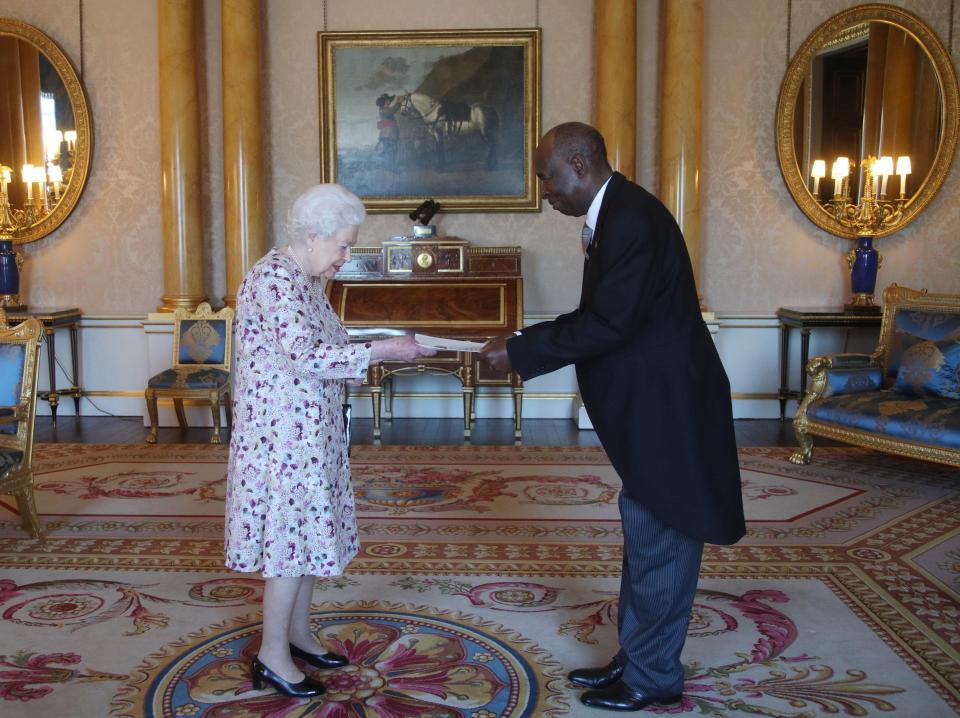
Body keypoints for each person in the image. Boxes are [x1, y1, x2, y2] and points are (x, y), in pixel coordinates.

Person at [480, 123, 745, 712]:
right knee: (644, 528)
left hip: (667, 408)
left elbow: (608, 325)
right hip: (655, 403)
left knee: (661, 534)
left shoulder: (628, 219)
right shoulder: (618, 212)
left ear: (579, 162)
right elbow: (604, 314)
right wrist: (525, 338)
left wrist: (520, 351)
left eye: (548, 176)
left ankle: (654, 677)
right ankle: (638, 655)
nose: (544, 190)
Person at [224, 184, 436, 698]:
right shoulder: (275, 279)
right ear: (313, 235)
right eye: (343, 245)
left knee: (306, 537)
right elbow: (304, 356)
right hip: (280, 441)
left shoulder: (304, 279)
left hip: (307, 434)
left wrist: (388, 344)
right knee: (288, 543)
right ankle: (272, 655)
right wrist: (385, 349)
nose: (346, 256)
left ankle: (296, 635)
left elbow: (330, 345)